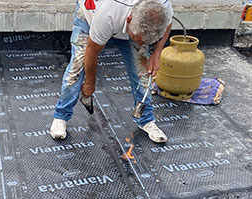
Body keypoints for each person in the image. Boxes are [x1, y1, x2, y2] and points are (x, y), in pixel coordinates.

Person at [50, 0, 173, 143]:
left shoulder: (162, 5)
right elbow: (92, 51)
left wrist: (156, 53)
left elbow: (168, 23)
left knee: (143, 72)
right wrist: (90, 82)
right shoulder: (108, 13)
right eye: (137, 39)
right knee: (77, 66)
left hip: (125, 22)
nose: (141, 44)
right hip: (92, 16)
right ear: (129, 19)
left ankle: (146, 120)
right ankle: (61, 115)